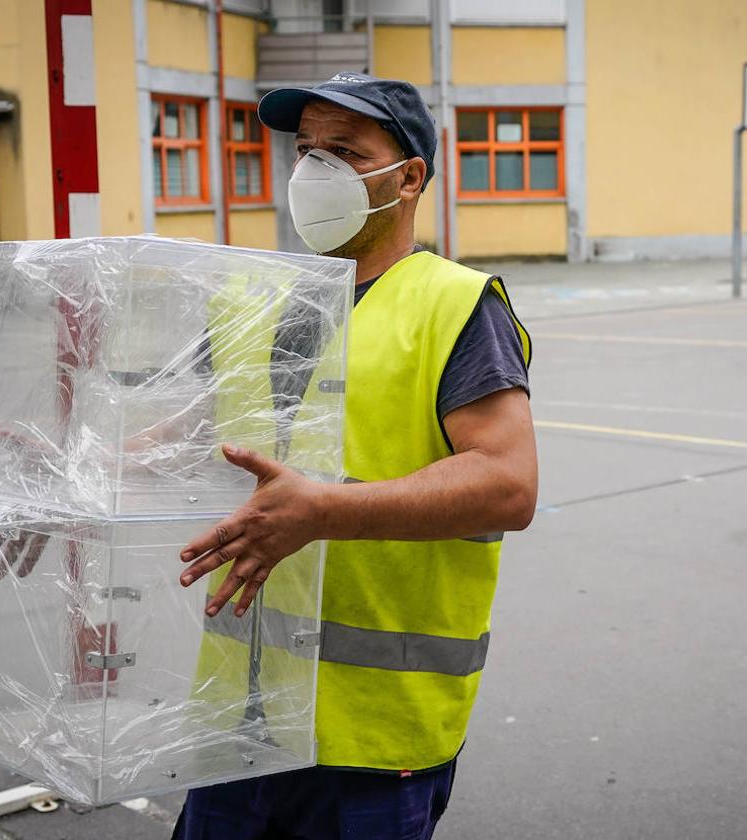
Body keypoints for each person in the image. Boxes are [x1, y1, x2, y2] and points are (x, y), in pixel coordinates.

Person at [171, 73, 539, 840]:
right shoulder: (256, 297)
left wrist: (324, 511)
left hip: (372, 739)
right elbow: (185, 435)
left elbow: (508, 484)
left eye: (343, 150)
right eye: (305, 149)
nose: (313, 170)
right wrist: (50, 478)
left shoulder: (456, 304)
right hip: (236, 723)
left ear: (408, 177)